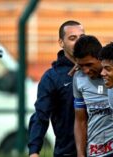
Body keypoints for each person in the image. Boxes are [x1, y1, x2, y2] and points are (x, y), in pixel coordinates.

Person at [28, 20, 85, 157]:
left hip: (100, 152)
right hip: (67, 152)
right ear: (61, 43)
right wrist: (34, 151)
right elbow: (41, 115)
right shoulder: (52, 77)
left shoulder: (101, 71)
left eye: (81, 38)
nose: (78, 42)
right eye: (72, 38)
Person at [73, 35, 113, 157]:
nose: (85, 70)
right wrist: (81, 154)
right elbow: (80, 120)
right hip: (95, 151)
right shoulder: (78, 78)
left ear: (100, 58)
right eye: (81, 66)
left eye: (89, 64)